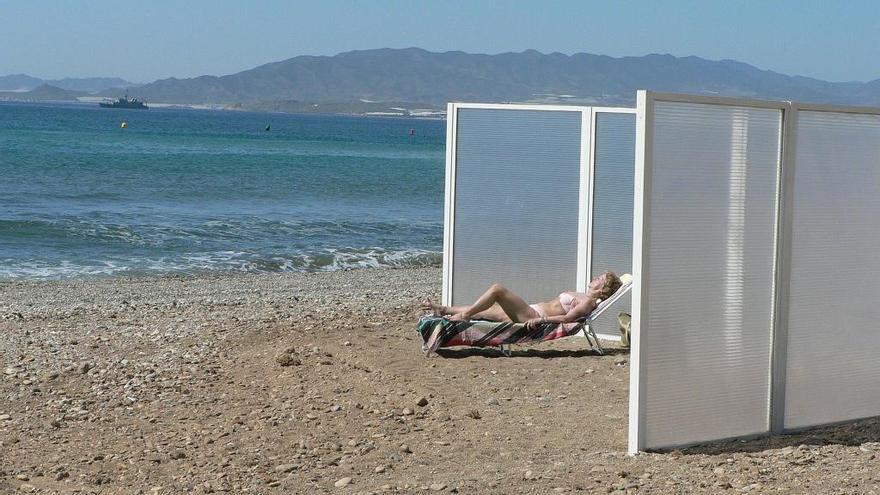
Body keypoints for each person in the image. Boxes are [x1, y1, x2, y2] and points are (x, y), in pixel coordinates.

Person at [421, 271, 622, 329]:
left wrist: (540, 321)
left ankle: (464, 315)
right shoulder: (583, 296)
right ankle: (443, 309)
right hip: (532, 311)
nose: (595, 278)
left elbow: (567, 319)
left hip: (533, 316)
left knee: (497, 290)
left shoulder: (588, 303)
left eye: (600, 279)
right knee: (486, 311)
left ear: (603, 289)